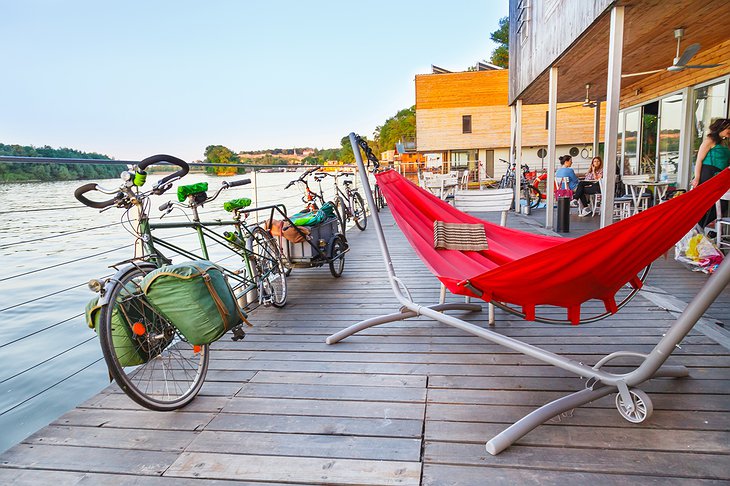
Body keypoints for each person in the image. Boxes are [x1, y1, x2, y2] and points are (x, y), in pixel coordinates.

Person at [690, 118, 730, 227]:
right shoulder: (709, 141)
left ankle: (700, 228)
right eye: (728, 128)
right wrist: (697, 178)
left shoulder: (724, 143)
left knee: (722, 205)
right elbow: (699, 160)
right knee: (705, 205)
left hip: (721, 176)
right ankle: (698, 229)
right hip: (708, 174)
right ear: (721, 128)